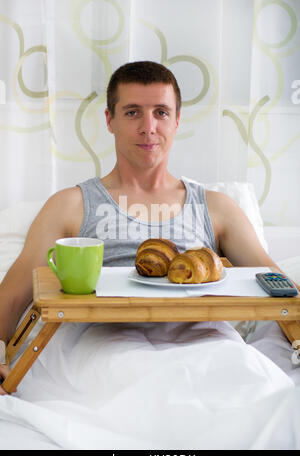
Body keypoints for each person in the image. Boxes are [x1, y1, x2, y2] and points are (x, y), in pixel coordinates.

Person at [0, 60, 283, 394]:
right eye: (133, 112)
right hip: (104, 351)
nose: (149, 127)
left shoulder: (216, 207)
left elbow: (277, 286)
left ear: (177, 120)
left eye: (161, 112)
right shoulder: (70, 204)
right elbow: (17, 290)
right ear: (110, 120)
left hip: (205, 348)